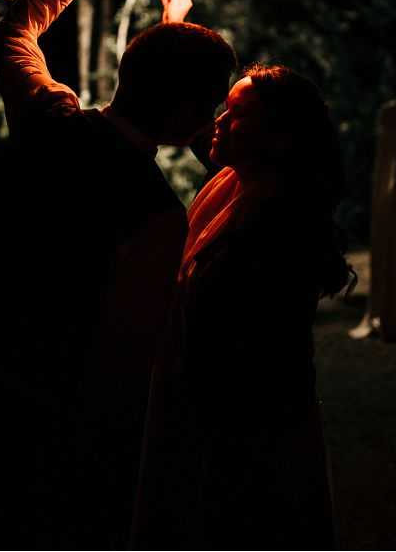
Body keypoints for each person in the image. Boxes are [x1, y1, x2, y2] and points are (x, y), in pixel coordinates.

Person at [0, 0, 236, 551]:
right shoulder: (156, 214)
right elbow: (122, 366)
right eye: (207, 105)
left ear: (129, 72)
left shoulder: (49, 117)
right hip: (48, 429)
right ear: (186, 112)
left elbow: (16, 26)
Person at [133, 63, 356, 550]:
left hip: (249, 437)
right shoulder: (243, 183)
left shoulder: (273, 230)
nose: (217, 120)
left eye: (235, 114)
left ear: (279, 138)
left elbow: (235, 361)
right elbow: (193, 127)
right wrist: (176, 17)